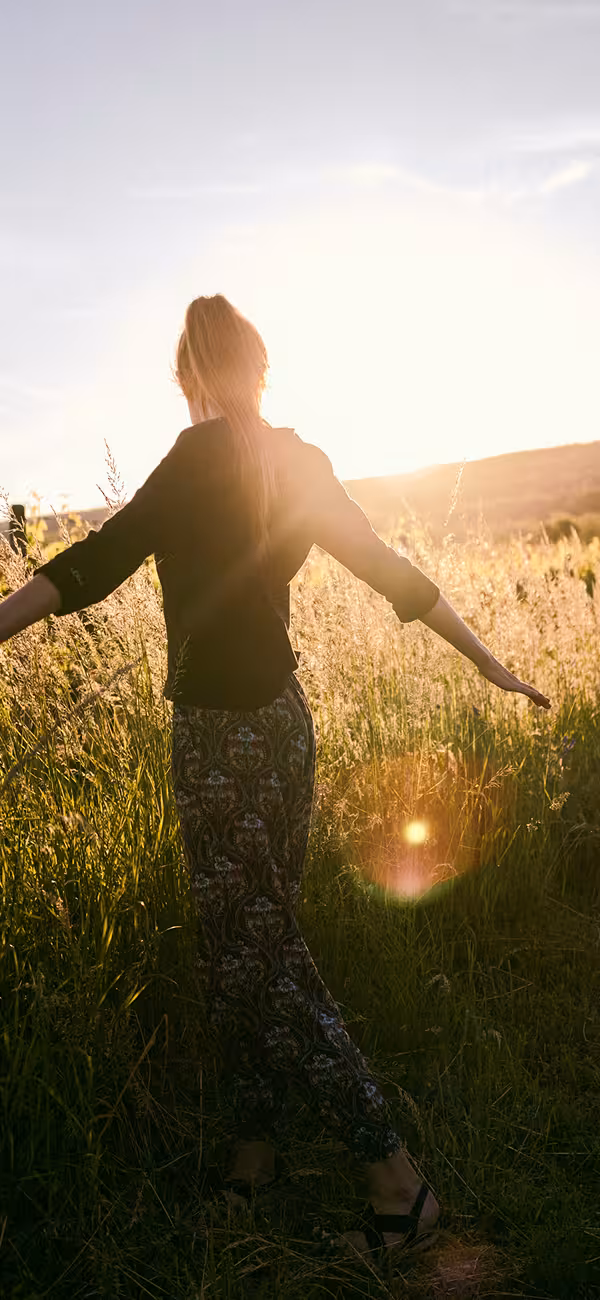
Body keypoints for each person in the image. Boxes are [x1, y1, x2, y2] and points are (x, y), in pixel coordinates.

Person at [0, 294, 551, 1267]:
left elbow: (93, 564)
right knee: (248, 947)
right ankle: (254, 1149)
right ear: (258, 364)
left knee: (261, 957)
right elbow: (387, 567)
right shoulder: (298, 460)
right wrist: (486, 658)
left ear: (191, 374)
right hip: (287, 733)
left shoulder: (193, 457)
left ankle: (397, 1179)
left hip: (219, 742)